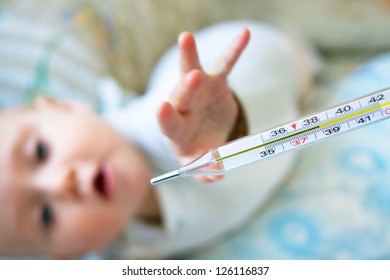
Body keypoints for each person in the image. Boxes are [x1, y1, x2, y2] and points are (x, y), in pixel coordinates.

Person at [0, 20, 312, 259]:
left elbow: (182, 129)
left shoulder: (155, 125)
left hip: (279, 61)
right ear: (68, 255)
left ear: (66, 107)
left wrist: (224, 129)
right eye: (45, 215)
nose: (60, 183)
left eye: (40, 152)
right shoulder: (125, 252)